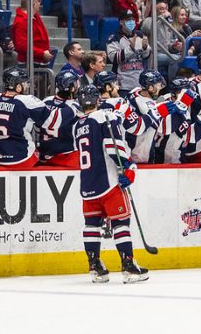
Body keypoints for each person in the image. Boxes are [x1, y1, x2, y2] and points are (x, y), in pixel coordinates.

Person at [72, 84, 148, 284]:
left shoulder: (77, 125)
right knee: (120, 223)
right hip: (109, 184)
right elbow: (113, 146)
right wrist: (128, 168)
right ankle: (128, 265)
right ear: (98, 99)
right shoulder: (106, 116)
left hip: (87, 185)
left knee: (92, 225)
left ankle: (95, 265)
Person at [0, 67, 52, 167]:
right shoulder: (28, 101)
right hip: (20, 157)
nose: (27, 86)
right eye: (24, 84)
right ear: (18, 87)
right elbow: (50, 121)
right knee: (39, 154)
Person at [126, 70, 179, 163]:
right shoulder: (144, 105)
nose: (159, 88)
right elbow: (163, 128)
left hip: (132, 150)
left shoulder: (135, 91)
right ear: (150, 87)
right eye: (157, 85)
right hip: (140, 155)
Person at [11, 0, 54, 67]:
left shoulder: (33, 15)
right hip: (30, 65)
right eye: (39, 1)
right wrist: (42, 53)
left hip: (38, 62)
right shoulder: (22, 22)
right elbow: (22, 45)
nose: (40, 2)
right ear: (34, 4)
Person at [39, 70, 82, 167]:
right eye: (75, 84)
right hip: (68, 155)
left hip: (45, 155)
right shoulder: (75, 106)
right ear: (71, 88)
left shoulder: (46, 101)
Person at [106, 10, 152, 96]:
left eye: (132, 20)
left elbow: (147, 56)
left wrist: (145, 48)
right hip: (122, 85)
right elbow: (113, 58)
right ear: (121, 22)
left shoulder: (140, 35)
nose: (131, 22)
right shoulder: (114, 38)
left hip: (140, 83)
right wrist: (130, 48)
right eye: (128, 20)